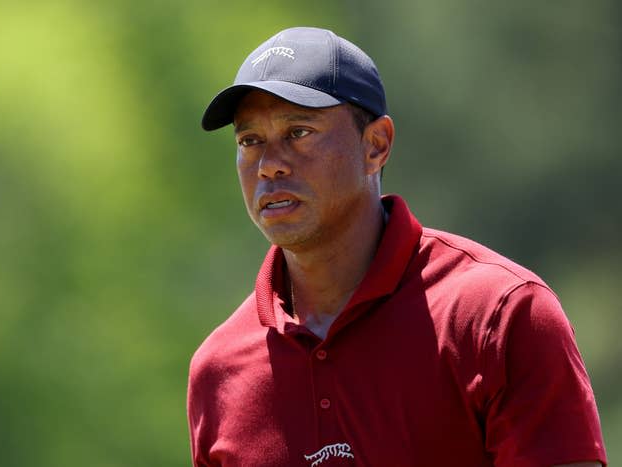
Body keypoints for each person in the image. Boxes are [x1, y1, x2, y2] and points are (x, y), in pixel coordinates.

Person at [187, 26, 607, 467]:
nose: (270, 165)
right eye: (249, 141)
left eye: (299, 132)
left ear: (376, 145)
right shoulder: (218, 371)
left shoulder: (499, 315)